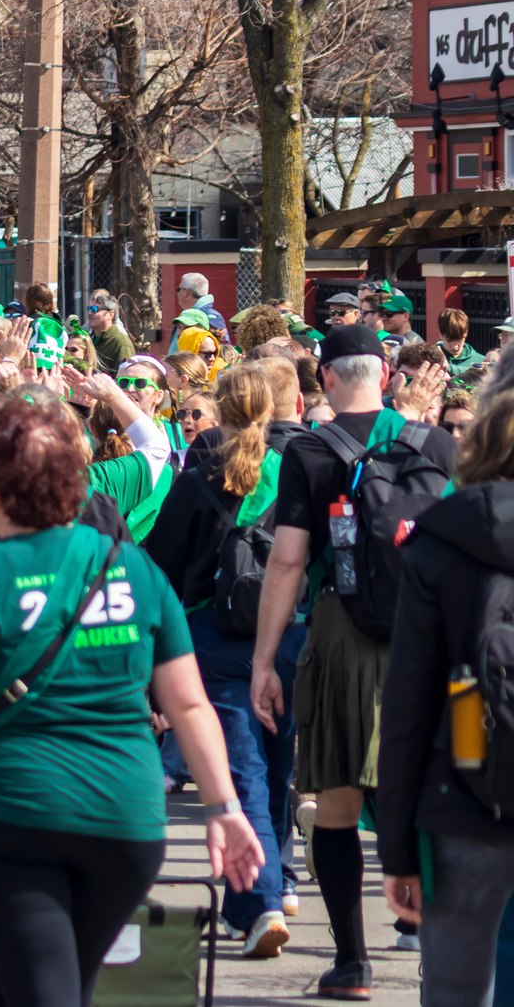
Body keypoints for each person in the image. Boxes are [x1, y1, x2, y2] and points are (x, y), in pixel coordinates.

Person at [0, 398, 264, 1007]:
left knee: (42, 986)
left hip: (8, 815)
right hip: (125, 820)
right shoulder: (135, 568)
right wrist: (223, 806)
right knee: (16, 979)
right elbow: (190, 706)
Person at [250, 324, 454, 1000]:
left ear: (329, 376)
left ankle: (352, 963)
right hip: (430, 635)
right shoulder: (434, 441)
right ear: (385, 370)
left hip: (341, 632)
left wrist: (264, 660)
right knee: (435, 796)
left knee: (335, 800)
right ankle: (435, 946)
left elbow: (285, 560)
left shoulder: (310, 449)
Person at [146, 361, 306, 956]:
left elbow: (161, 561)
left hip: (212, 635)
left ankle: (259, 900)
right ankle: (273, 884)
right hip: (286, 632)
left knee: (242, 771)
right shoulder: (295, 471)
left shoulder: (198, 478)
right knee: (275, 762)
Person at [378, 388, 514, 1006]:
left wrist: (398, 848)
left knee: (457, 991)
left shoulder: (438, 543)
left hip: (462, 780)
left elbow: (407, 705)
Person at [87, 290, 134, 373]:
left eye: (94, 309)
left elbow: (125, 377)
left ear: (110, 314)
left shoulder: (121, 343)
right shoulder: (90, 338)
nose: (89, 312)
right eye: (89, 308)